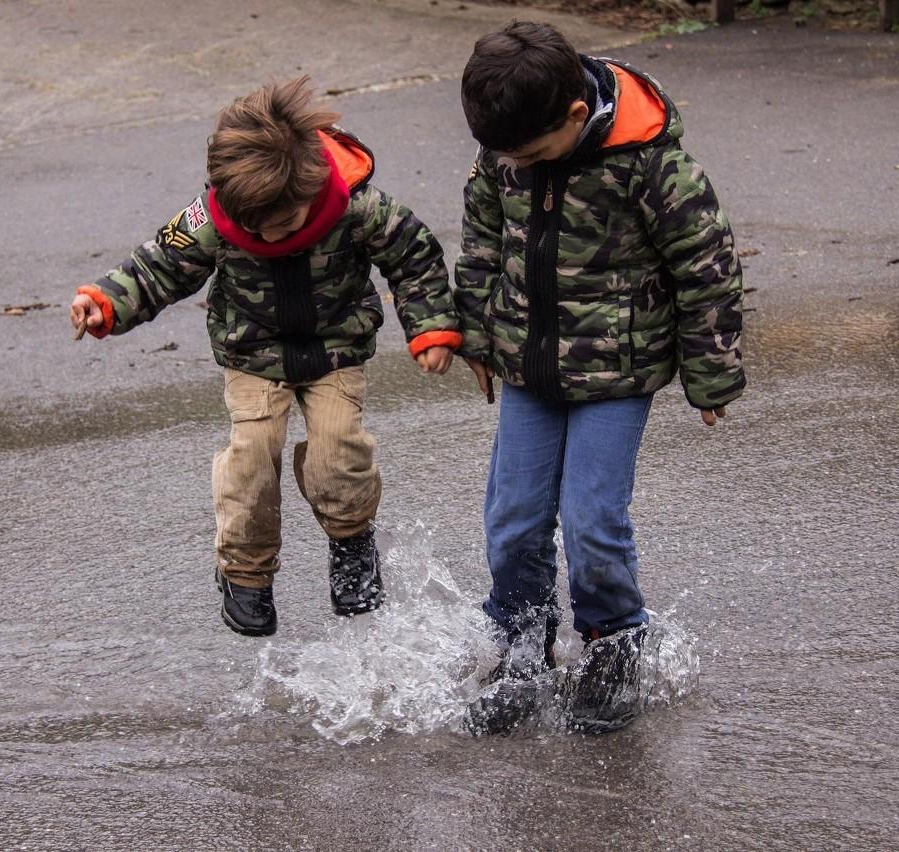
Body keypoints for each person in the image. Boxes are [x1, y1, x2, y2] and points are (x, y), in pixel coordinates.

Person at [70, 77, 463, 637]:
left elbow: (415, 259)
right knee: (253, 455)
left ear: (308, 190)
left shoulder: (357, 205)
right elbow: (159, 265)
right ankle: (246, 572)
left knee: (338, 453)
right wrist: (106, 302)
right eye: (252, 228)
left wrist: (432, 330)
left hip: (335, 351)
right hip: (252, 354)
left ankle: (351, 543)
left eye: (279, 227)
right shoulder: (213, 215)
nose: (265, 236)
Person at [454, 22, 744, 732]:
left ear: (576, 116)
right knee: (514, 519)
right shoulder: (503, 155)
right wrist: (478, 334)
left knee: (591, 521)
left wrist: (711, 373)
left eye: (528, 152)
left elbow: (706, 268)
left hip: (618, 372)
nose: (513, 162)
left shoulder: (650, 164)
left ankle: (614, 640)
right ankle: (522, 640)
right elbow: (482, 244)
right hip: (527, 365)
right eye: (503, 152)